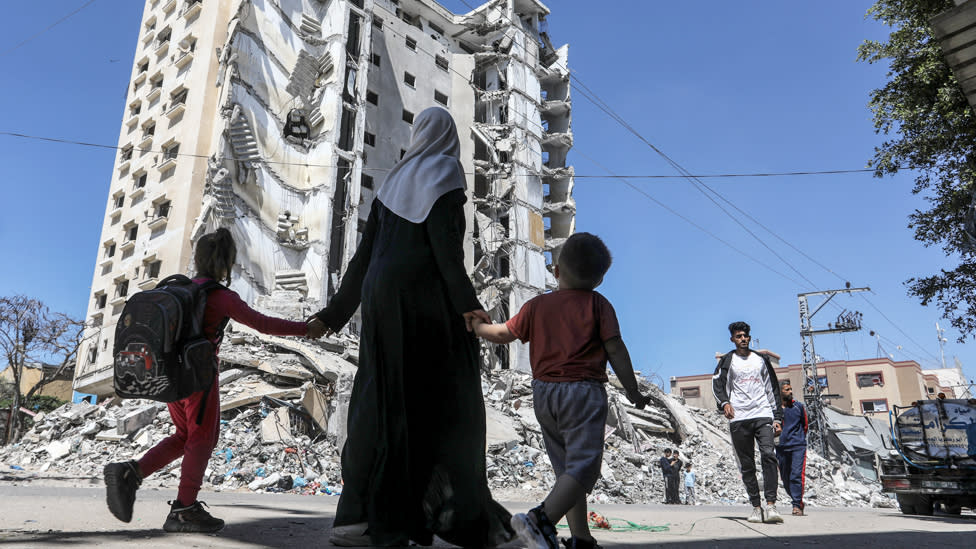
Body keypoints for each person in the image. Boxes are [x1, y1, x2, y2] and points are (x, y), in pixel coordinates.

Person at [306, 107, 513, 547]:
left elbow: (362, 262)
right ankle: (435, 515)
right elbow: (446, 252)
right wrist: (470, 309)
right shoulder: (446, 172)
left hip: (380, 302)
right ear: (448, 138)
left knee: (377, 397)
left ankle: (356, 518)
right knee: (441, 401)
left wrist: (333, 314)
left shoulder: (391, 183)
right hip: (422, 301)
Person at [103, 228, 312, 532]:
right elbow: (263, 324)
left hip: (170, 375)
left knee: (184, 436)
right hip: (198, 376)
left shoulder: (180, 290)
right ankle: (184, 510)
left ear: (199, 259)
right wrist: (306, 328)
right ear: (227, 263)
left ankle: (130, 473)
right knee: (202, 438)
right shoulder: (221, 296)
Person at [472, 232, 651, 549]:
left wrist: (477, 326)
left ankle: (581, 538)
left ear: (556, 271)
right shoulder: (598, 305)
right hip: (582, 393)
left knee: (568, 473)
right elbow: (616, 350)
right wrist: (634, 392)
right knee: (584, 468)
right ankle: (539, 520)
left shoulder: (536, 306)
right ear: (599, 280)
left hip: (544, 394)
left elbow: (501, 334)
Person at [712, 321, 784, 524]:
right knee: (747, 464)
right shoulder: (727, 361)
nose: (743, 339)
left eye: (745, 336)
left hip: (762, 414)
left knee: (769, 455)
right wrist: (724, 403)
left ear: (749, 337)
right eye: (739, 336)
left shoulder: (760, 360)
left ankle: (771, 505)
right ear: (732, 339)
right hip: (739, 417)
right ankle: (756, 507)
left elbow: (773, 389)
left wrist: (777, 417)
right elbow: (717, 384)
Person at [776, 380, 808, 516]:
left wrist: (798, 438)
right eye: (786, 390)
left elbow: (805, 425)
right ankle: (797, 500)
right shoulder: (774, 409)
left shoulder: (798, 407)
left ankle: (796, 505)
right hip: (781, 447)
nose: (790, 392)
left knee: (796, 475)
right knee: (785, 477)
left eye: (790, 389)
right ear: (780, 392)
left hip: (797, 446)